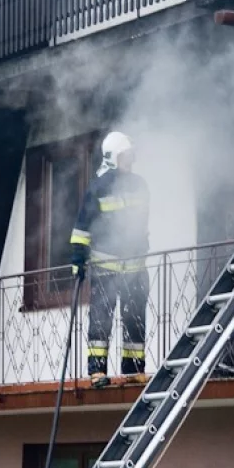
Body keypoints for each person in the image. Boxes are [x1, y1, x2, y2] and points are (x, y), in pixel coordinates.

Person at [70, 132, 151, 389]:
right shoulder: (98, 188)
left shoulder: (139, 184)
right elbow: (82, 228)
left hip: (135, 266)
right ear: (115, 157)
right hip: (106, 268)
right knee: (101, 319)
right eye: (126, 156)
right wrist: (78, 259)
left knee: (135, 318)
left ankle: (134, 370)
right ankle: (97, 372)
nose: (131, 161)